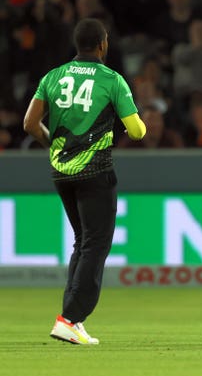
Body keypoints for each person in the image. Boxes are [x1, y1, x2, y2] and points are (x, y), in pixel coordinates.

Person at [22, 18, 147, 345]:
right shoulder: (111, 80)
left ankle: (71, 319)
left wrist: (55, 145)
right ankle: (71, 317)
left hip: (61, 172)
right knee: (96, 243)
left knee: (83, 241)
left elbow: (30, 123)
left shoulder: (53, 76)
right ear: (103, 44)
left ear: (77, 44)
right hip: (95, 172)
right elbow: (136, 131)